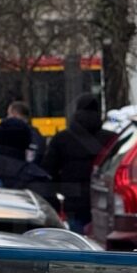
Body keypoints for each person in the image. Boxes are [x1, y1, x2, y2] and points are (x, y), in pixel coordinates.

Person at [42, 93, 114, 234]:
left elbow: (48, 170)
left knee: (78, 240)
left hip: (74, 200)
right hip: (103, 201)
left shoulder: (62, 139)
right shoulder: (110, 139)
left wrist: (61, 189)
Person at [7, 100, 46, 165]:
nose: (7, 118)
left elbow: (33, 158)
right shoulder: (35, 134)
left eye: (9, 114)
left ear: (15, 115)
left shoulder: (30, 136)